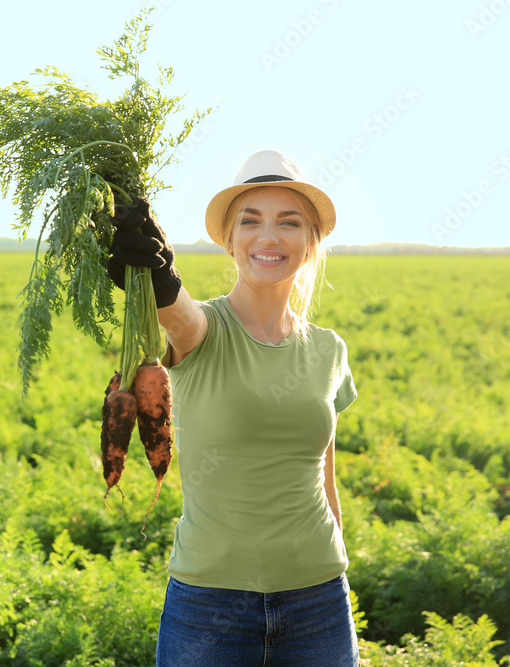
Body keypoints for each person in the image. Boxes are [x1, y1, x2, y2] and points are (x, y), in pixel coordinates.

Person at [107, 150, 359, 666]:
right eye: (251, 221)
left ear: (311, 243)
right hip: (209, 607)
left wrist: (339, 568)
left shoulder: (328, 349)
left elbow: (322, 471)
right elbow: (175, 312)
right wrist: (154, 268)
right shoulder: (203, 331)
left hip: (320, 603)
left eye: (288, 222)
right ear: (230, 240)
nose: (268, 236)